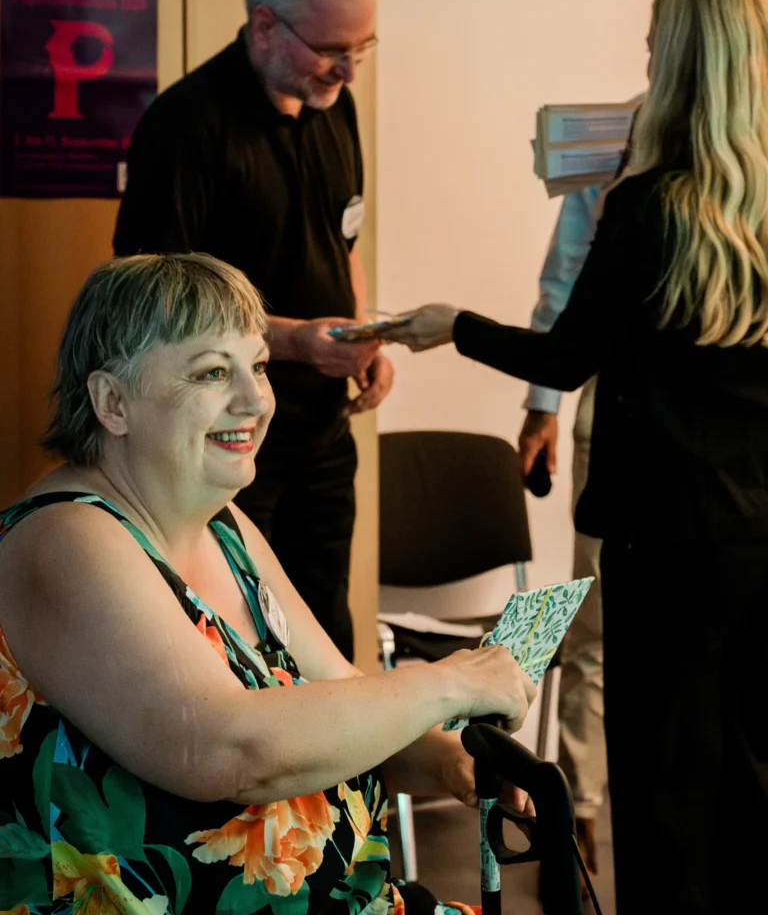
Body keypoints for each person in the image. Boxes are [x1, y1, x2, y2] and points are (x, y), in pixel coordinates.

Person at [387, 0, 768, 914]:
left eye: (652, 46)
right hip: (756, 539)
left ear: (676, 60)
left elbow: (568, 352)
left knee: (662, 788)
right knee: (749, 776)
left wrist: (453, 325)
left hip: (661, 540)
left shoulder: (650, 204)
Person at [0, 252, 534, 914]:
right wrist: (448, 682)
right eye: (212, 372)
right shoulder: (63, 537)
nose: (255, 400)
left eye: (257, 366)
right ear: (113, 402)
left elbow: (342, 702)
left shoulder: (224, 525)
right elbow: (226, 749)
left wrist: (446, 760)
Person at [113, 0, 393, 661]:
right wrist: (295, 341)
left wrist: (362, 336)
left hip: (322, 432)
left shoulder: (334, 106)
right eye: (331, 49)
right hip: (223, 441)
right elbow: (159, 303)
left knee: (326, 633)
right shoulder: (186, 125)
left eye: (362, 47)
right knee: (242, 648)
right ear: (265, 25)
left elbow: (345, 239)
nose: (348, 70)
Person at [519, 0, 676, 882]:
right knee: (596, 624)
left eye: (664, 40)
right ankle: (579, 809)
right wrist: (542, 405)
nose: (652, 56)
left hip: (729, 438)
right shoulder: (613, 137)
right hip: (614, 414)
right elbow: (565, 279)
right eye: (650, 41)